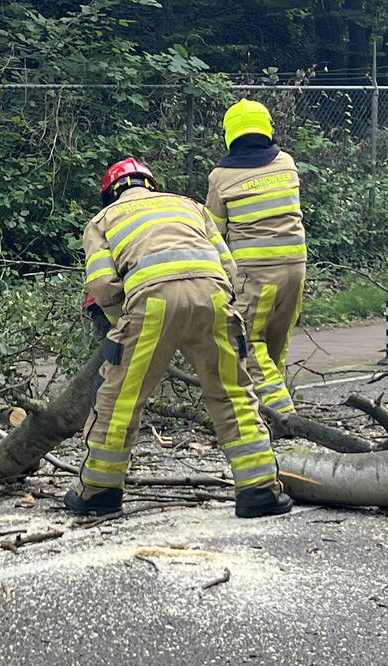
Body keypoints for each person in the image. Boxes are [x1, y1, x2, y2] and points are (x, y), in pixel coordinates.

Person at [64, 157, 294, 518]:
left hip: (151, 304)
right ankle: (259, 490)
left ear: (109, 194)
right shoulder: (190, 206)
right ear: (152, 185)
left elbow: (103, 286)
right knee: (232, 393)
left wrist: (124, 326)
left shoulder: (102, 221)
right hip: (213, 298)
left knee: (120, 399)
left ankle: (99, 491)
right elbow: (229, 266)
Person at [205, 98, 306, 415]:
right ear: (267, 129)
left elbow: (213, 232)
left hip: (255, 274)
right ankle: (267, 409)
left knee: (246, 341)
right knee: (275, 343)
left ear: (230, 134)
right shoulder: (286, 163)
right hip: (295, 268)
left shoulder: (220, 177)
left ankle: (284, 416)